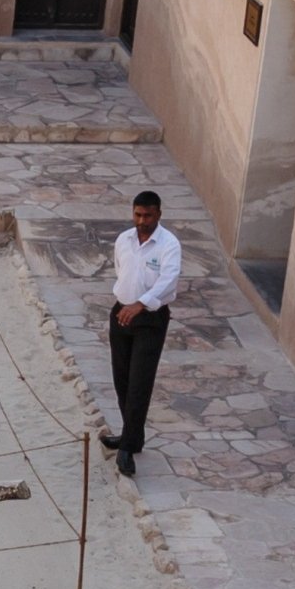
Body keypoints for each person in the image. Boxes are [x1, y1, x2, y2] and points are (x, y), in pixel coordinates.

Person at [105, 191, 181, 475]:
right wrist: (126, 303)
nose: (142, 221)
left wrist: (140, 304)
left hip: (150, 319)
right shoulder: (123, 239)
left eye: (148, 216)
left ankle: (126, 449)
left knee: (139, 382)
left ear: (158, 214)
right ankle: (131, 436)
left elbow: (168, 281)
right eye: (138, 215)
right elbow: (120, 271)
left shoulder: (169, 245)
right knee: (121, 379)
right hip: (121, 314)